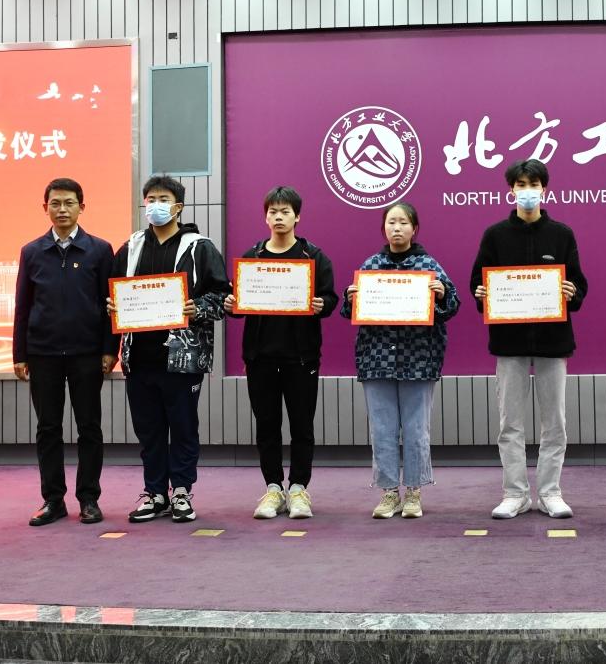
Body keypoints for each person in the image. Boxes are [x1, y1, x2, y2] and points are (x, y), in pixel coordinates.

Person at [470, 159, 587, 520]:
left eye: (533, 184)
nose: (527, 190)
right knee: (510, 424)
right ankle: (515, 494)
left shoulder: (562, 234)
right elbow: (477, 284)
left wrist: (571, 292)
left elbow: (579, 285)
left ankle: (550, 492)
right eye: (520, 184)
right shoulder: (494, 235)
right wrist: (481, 294)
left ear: (544, 189)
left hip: (553, 339)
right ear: (511, 190)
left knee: (555, 423)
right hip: (509, 341)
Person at [110, 175, 230, 524]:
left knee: (182, 427)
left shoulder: (199, 248)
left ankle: (181, 491)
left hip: (182, 359)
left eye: (163, 199)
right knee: (148, 430)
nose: (155, 205)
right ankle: (155, 493)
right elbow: (112, 293)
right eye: (150, 199)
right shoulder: (130, 248)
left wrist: (198, 307)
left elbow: (223, 297)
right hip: (138, 357)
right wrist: (112, 305)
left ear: (178, 206)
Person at [224, 186, 337, 521]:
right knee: (267, 426)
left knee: (302, 426)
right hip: (260, 358)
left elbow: (330, 298)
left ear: (297, 216)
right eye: (273, 212)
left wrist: (322, 304)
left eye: (285, 211)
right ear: (265, 217)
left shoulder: (313, 256)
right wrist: (231, 305)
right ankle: (273, 488)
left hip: (301, 358)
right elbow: (239, 305)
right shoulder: (253, 257)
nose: (278, 217)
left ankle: (299, 488)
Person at [343, 202, 458, 520]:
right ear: (384, 228)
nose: (397, 227)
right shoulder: (371, 265)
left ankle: (414, 492)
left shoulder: (428, 265)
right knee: (382, 429)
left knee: (416, 430)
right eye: (391, 222)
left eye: (403, 222)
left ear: (414, 228)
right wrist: (351, 298)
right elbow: (349, 311)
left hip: (418, 359)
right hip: (376, 358)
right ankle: (389, 492)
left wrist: (441, 294)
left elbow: (452, 305)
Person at [13, 178, 116, 526]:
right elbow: (23, 306)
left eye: (69, 203)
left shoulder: (99, 250)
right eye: (55, 203)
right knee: (48, 428)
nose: (62, 210)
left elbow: (109, 305)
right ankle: (53, 500)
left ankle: (89, 498)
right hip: (42, 353)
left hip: (87, 353)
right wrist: (19, 354)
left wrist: (109, 348)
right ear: (45, 208)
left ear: (81, 207)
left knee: (89, 427)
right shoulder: (31, 251)